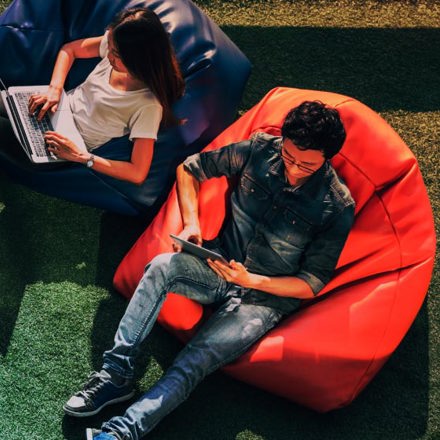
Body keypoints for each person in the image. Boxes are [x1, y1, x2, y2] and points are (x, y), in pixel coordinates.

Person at [64, 100, 355, 440]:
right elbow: (190, 168)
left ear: (327, 159)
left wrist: (252, 280)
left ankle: (118, 434)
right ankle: (116, 375)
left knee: (195, 361)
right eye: (288, 157)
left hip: (262, 300)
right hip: (218, 262)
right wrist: (191, 224)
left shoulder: (335, 206)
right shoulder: (262, 149)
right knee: (160, 266)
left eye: (306, 165)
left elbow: (311, 283)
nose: (292, 168)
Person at [0, 7, 184, 184]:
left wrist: (82, 157)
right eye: (109, 47)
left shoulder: (148, 106)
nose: (109, 55)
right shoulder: (116, 45)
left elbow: (137, 173)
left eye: (115, 53)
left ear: (139, 58)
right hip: (53, 107)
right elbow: (69, 50)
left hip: (60, 145)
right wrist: (55, 89)